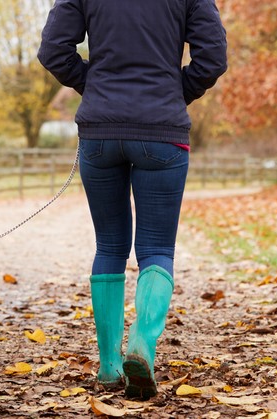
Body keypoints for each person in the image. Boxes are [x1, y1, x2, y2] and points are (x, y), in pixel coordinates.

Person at [38, 0, 228, 399]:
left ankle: (108, 367)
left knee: (108, 246)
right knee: (157, 247)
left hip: (100, 133)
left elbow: (54, 49)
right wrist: (174, 91)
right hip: (162, 132)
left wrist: (96, 86)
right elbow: (213, 58)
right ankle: (142, 344)